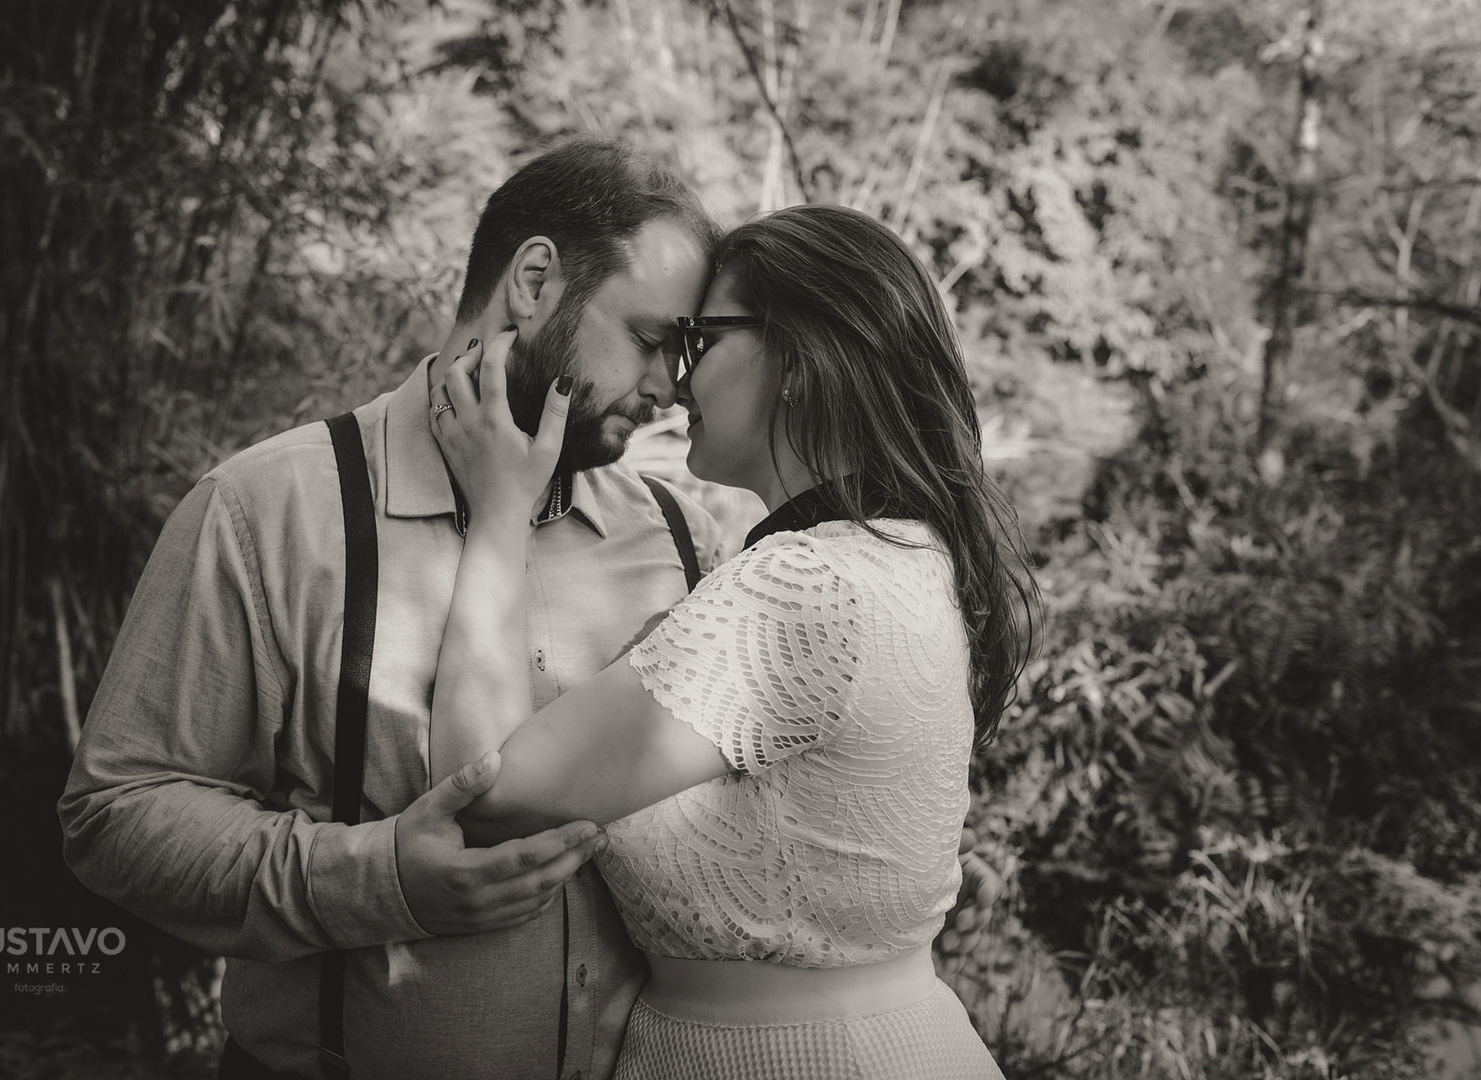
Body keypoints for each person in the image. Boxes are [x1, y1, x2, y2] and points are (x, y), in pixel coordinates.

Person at [58, 138, 729, 1080]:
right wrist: (378, 881)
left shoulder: (685, 537)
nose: (671, 391)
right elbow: (117, 815)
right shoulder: (266, 511)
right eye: (653, 341)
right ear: (534, 280)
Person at [427, 203, 1037, 1078]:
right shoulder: (906, 551)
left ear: (794, 357)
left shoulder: (804, 585)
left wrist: (497, 518)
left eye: (699, 342)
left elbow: (480, 794)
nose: (675, 384)